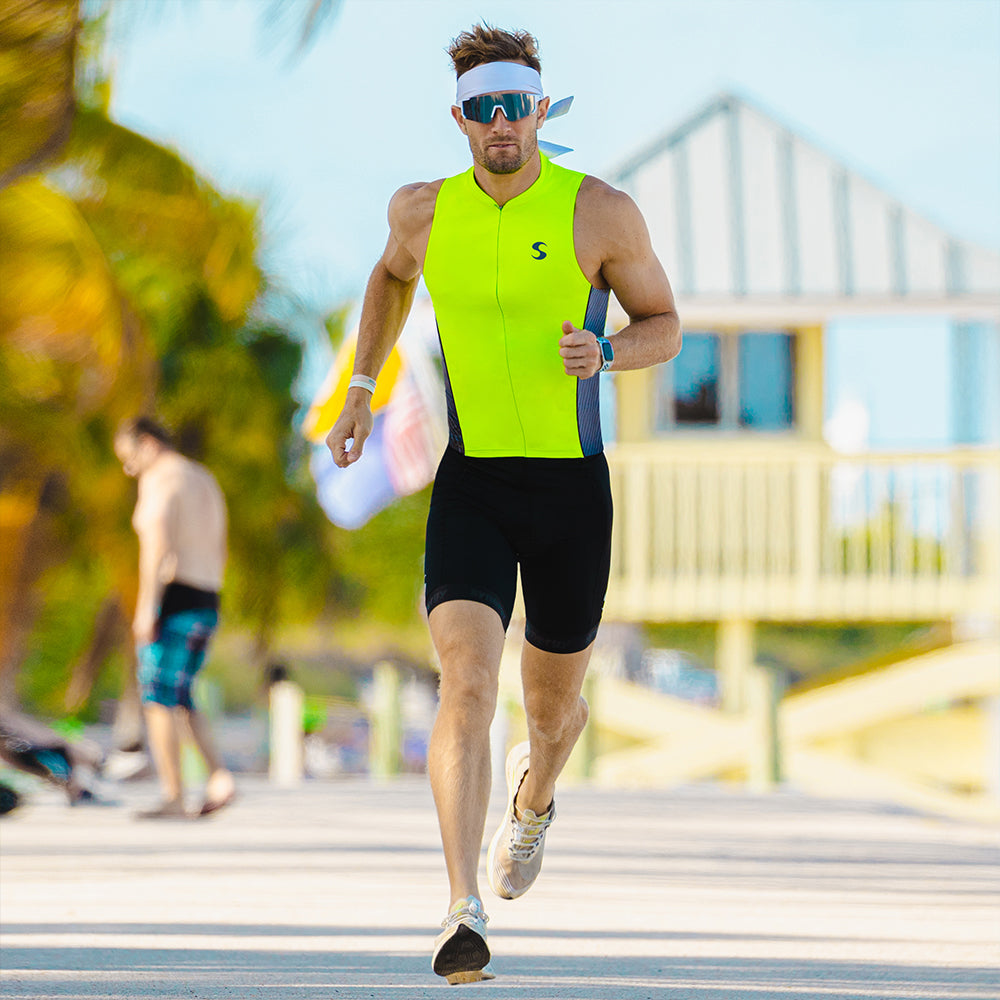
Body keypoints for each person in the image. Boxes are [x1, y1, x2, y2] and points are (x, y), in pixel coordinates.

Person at [325, 24, 680, 984]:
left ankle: (534, 805)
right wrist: (361, 387)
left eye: (512, 106)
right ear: (460, 119)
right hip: (472, 480)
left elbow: (666, 325)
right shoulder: (421, 212)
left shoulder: (600, 212)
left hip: (572, 486)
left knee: (552, 709)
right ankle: (459, 908)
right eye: (480, 110)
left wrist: (607, 353)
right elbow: (390, 282)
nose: (499, 126)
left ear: (539, 107)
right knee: (468, 685)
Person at [114, 418, 235, 820]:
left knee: (156, 697)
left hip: (175, 596)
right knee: (182, 694)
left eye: (130, 459)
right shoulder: (203, 478)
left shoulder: (159, 478)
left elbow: (157, 542)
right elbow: (220, 546)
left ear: (147, 444)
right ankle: (219, 776)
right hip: (208, 596)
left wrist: (148, 606)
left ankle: (172, 797)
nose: (130, 470)